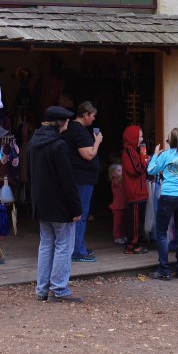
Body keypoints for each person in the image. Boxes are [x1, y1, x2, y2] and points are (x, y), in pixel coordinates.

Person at [27, 105, 83, 302]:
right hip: (59, 204)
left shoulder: (34, 141)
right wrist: (76, 207)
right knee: (63, 246)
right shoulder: (59, 145)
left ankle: (42, 289)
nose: (68, 123)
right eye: (67, 121)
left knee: (46, 245)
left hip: (41, 202)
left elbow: (30, 173)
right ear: (61, 123)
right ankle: (59, 289)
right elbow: (67, 180)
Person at [146, 127, 178, 280]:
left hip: (168, 195)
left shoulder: (166, 155)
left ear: (171, 142)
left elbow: (151, 170)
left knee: (161, 232)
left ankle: (164, 271)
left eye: (168, 140)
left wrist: (154, 155)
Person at [65, 100, 102, 262]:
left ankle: (79, 246)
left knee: (78, 214)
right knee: (81, 214)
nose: (93, 119)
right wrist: (97, 142)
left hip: (78, 177)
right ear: (86, 114)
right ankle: (78, 251)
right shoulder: (79, 130)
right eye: (92, 116)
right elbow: (88, 154)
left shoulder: (74, 128)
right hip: (82, 178)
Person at [121, 124, 149, 254]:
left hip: (139, 191)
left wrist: (143, 157)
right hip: (135, 192)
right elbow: (137, 169)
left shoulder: (133, 151)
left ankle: (138, 242)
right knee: (135, 221)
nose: (141, 139)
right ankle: (133, 245)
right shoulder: (129, 151)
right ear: (133, 137)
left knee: (138, 219)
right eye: (140, 136)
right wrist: (145, 159)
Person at [108, 163, 126, 243]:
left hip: (123, 204)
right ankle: (117, 237)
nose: (121, 172)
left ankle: (122, 235)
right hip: (117, 206)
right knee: (117, 223)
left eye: (122, 170)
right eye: (119, 170)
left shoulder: (122, 179)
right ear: (113, 173)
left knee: (123, 222)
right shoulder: (114, 180)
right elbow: (118, 181)